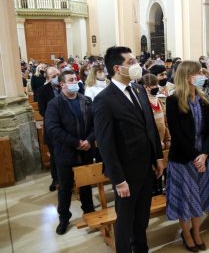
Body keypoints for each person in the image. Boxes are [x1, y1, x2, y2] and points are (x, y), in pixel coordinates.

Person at [93, 46, 164, 252]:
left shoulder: (139, 89)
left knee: (142, 217)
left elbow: (149, 126)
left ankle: (141, 248)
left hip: (146, 167)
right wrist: (118, 179)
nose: (137, 65)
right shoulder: (104, 99)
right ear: (117, 68)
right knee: (125, 221)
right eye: (131, 62)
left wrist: (157, 158)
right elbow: (105, 143)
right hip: (126, 172)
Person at [165, 61, 209, 252]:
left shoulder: (203, 100)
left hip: (201, 158)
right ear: (187, 77)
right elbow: (177, 134)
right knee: (185, 199)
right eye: (197, 73)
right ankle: (186, 233)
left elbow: (208, 132)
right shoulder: (173, 101)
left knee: (200, 197)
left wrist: (204, 155)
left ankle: (197, 231)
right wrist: (197, 157)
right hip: (183, 159)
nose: (201, 76)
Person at [45, 70, 95, 235]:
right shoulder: (55, 104)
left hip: (86, 150)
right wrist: (76, 143)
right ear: (62, 84)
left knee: (86, 185)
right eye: (71, 80)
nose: (75, 81)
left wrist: (89, 140)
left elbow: (96, 124)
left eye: (76, 79)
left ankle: (89, 213)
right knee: (65, 188)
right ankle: (64, 218)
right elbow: (53, 129)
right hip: (66, 152)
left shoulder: (85, 100)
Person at [37, 66, 61, 191]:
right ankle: (56, 179)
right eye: (53, 76)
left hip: (68, 127)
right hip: (53, 128)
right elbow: (42, 111)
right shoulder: (42, 91)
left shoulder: (66, 86)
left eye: (58, 74)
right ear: (48, 79)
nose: (57, 78)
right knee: (55, 156)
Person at [142, 74, 171, 150]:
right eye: (153, 85)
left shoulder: (159, 100)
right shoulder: (142, 103)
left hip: (163, 142)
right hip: (151, 144)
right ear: (145, 87)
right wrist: (156, 141)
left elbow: (164, 121)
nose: (156, 87)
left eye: (156, 84)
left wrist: (168, 138)